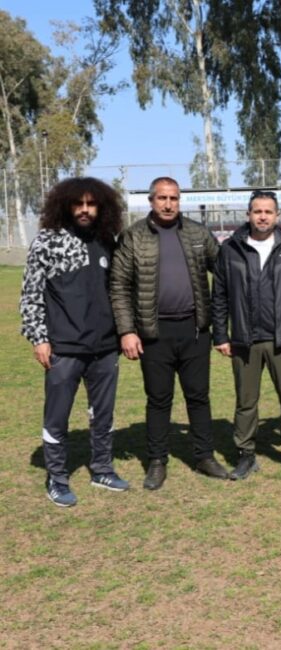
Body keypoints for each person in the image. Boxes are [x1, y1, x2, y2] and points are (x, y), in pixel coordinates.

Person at [110, 177, 229, 489]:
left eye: (173, 198)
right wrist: (126, 331)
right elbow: (119, 287)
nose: (167, 204)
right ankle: (157, 461)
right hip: (154, 333)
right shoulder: (133, 236)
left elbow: (226, 270)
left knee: (199, 397)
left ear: (180, 201)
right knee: (159, 399)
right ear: (151, 201)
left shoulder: (197, 233)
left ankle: (204, 456)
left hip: (194, 331)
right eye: (162, 198)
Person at [21, 177, 128, 506]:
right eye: (77, 204)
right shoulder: (48, 242)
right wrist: (39, 338)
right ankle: (57, 476)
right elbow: (31, 294)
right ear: (65, 206)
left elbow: (119, 292)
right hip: (63, 349)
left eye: (91, 204)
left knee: (103, 414)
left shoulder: (107, 241)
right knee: (57, 416)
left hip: (105, 348)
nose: (84, 210)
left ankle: (102, 469)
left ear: (101, 206)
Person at [211, 190, 281, 480]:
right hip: (244, 339)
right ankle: (245, 453)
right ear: (248, 214)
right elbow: (219, 295)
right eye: (257, 211)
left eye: (268, 211)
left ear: (277, 216)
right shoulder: (231, 248)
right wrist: (220, 335)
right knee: (246, 402)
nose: (262, 216)